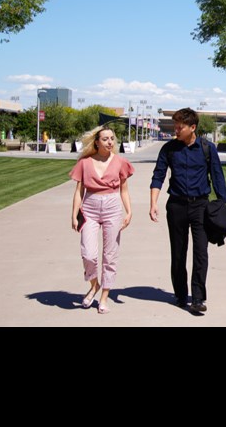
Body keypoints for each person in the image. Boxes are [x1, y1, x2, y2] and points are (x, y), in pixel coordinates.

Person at [149, 107, 226, 313]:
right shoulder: (169, 149)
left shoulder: (207, 148)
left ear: (192, 127)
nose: (176, 129)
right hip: (176, 206)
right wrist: (153, 203)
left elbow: (217, 176)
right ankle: (181, 294)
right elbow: (158, 175)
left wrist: (221, 203)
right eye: (175, 125)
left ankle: (198, 298)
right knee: (178, 252)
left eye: (180, 126)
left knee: (201, 253)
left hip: (200, 206)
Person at [70, 125, 135, 314]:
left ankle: (104, 296)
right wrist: (74, 214)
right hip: (89, 207)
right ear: (96, 142)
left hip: (112, 207)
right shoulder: (85, 163)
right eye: (105, 139)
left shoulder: (120, 162)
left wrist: (128, 212)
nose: (110, 142)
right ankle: (94, 284)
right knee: (88, 254)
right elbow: (78, 191)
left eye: (112, 138)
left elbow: (124, 189)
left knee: (110, 255)